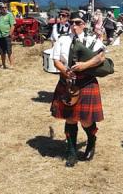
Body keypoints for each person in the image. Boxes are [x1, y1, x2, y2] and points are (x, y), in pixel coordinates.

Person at [50, 11, 106, 167]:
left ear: (85, 24)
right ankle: (72, 152)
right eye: (72, 23)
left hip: (86, 82)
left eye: (78, 23)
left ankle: (92, 140)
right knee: (70, 118)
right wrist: (65, 71)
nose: (74, 26)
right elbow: (56, 60)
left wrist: (85, 65)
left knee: (86, 120)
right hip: (67, 83)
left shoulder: (92, 40)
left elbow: (101, 57)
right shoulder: (62, 40)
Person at [0, 3, 16, 69]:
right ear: (0, 9)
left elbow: (13, 25)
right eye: (2, 7)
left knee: (9, 51)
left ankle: (12, 65)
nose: (4, 9)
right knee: (2, 51)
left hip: (7, 35)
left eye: (5, 7)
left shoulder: (9, 15)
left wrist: (10, 34)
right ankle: (3, 64)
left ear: (7, 8)